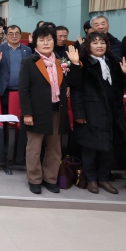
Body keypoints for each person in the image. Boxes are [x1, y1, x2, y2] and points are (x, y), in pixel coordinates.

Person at [18, 26, 82, 194]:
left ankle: (50, 179)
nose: (45, 43)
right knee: (34, 148)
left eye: (49, 39)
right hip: (36, 112)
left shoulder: (62, 61)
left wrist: (75, 63)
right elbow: (23, 90)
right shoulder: (29, 62)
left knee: (54, 148)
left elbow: (75, 81)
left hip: (57, 111)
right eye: (42, 40)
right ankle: (34, 179)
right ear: (35, 43)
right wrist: (27, 113)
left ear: (54, 42)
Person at [71, 33, 126, 195]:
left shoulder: (113, 61)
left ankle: (103, 178)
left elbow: (121, 87)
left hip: (112, 111)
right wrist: (79, 113)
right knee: (89, 147)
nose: (99, 45)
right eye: (95, 43)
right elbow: (76, 89)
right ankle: (91, 179)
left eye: (102, 42)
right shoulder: (83, 62)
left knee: (108, 148)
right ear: (88, 45)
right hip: (90, 111)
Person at [0, 24, 32, 115]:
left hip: (22, 91)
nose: (14, 36)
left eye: (17, 33)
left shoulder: (27, 50)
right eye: (11, 34)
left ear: (20, 35)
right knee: (3, 116)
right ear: (6, 35)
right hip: (4, 90)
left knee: (20, 116)